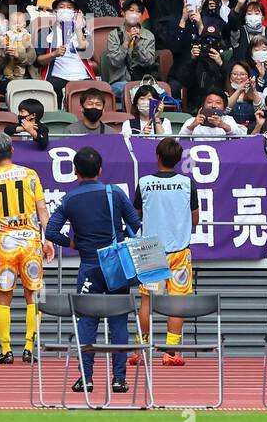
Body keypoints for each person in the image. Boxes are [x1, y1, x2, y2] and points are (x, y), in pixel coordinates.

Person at [45, 145, 142, 394]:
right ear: (100, 170)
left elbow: (51, 232)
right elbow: (135, 223)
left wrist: (72, 243)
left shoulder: (69, 199)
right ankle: (119, 379)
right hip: (116, 265)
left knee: (87, 321)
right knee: (119, 321)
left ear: (75, 171)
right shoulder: (115, 193)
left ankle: (86, 378)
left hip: (88, 266)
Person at [0, 133, 53, 364]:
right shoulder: (30, 175)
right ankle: (29, 347)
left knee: (3, 298)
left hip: (5, 243)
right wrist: (47, 239)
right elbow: (43, 212)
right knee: (34, 297)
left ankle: (6, 349)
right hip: (30, 241)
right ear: (12, 150)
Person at [131, 136, 199, 366]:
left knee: (146, 302)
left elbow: (136, 215)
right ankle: (171, 352)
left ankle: (140, 350)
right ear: (179, 159)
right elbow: (195, 218)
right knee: (177, 302)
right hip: (179, 250)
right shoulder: (187, 183)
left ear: (157, 156)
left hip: (150, 248)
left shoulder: (144, 182)